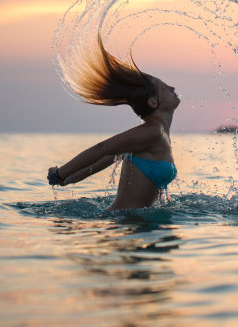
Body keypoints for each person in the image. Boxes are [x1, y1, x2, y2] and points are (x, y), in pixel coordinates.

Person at [47, 35, 180, 211]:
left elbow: (108, 158)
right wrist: (60, 173)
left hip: (138, 226)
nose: (172, 89)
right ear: (153, 102)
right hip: (123, 222)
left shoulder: (158, 133)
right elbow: (103, 148)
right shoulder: (152, 133)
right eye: (164, 88)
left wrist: (68, 179)